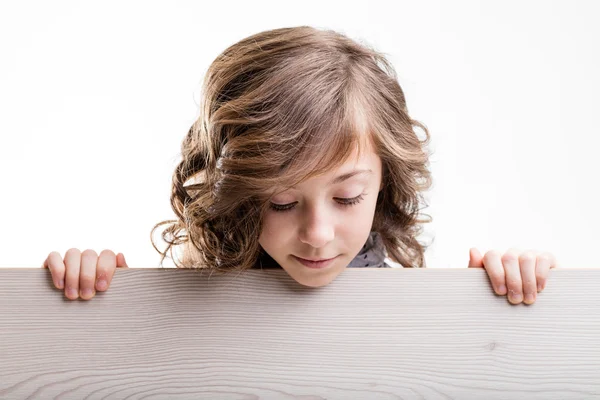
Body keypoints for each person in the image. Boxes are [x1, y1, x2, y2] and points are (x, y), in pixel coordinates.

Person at [43, 25, 558, 304]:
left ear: (385, 183)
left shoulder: (411, 304)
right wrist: (106, 300)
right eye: (282, 201)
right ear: (238, 193)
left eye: (347, 197)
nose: (316, 232)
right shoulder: (191, 302)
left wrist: (490, 303)